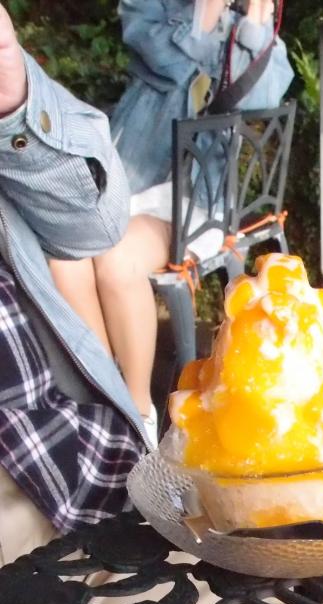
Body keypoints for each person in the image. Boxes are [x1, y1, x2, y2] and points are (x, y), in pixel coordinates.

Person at [48, 0, 293, 434]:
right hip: (126, 181)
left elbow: (260, 100)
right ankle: (104, 390)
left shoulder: (254, 30)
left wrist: (255, 17)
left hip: (193, 202)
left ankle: (136, 414)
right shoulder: (154, 6)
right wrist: (206, 13)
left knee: (117, 260)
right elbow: (163, 61)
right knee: (64, 255)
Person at [0, 4, 151, 569]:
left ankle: (136, 407)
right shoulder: (160, 13)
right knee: (94, 265)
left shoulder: (249, 32)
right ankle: (139, 404)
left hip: (168, 185)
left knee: (106, 259)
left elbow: (94, 224)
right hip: (140, 166)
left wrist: (13, 103)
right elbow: (150, 49)